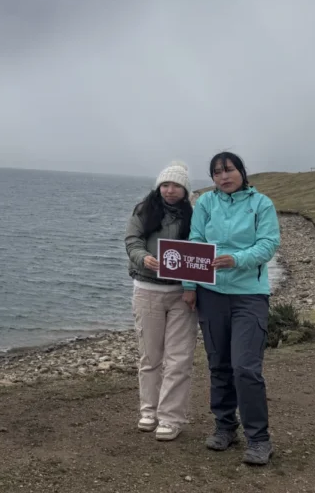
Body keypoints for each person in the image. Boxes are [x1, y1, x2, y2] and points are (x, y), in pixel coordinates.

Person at [181, 151, 281, 465]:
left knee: (245, 367)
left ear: (241, 171)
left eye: (229, 170)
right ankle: (225, 427)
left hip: (249, 295)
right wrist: (189, 284)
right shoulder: (206, 204)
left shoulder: (261, 204)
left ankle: (259, 439)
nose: (224, 177)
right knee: (219, 364)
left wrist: (237, 259)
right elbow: (194, 240)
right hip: (210, 294)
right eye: (217, 173)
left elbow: (268, 244)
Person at [124, 160, 197, 442]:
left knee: (179, 358)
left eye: (176, 185)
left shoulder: (195, 216)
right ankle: (148, 411)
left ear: (185, 189)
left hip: (182, 292)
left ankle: (171, 418)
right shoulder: (144, 209)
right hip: (146, 289)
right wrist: (144, 258)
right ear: (158, 186)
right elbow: (132, 241)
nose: (169, 190)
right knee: (150, 356)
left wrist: (193, 285)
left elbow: (200, 249)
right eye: (165, 184)